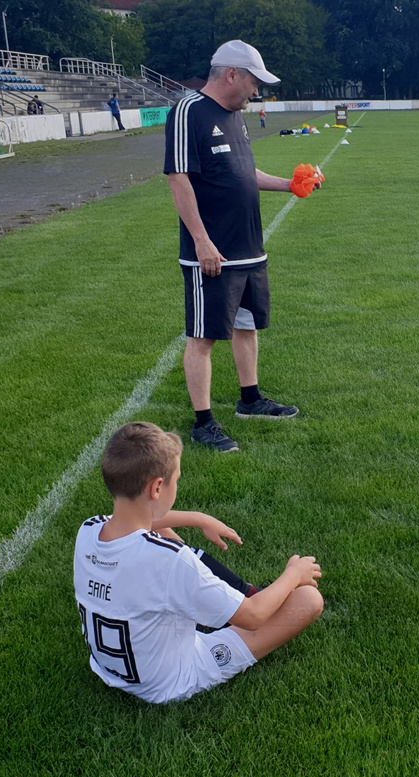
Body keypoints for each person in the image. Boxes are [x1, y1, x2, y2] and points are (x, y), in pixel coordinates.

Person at [73, 421, 324, 704]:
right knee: (308, 599)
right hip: (170, 684)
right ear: (157, 487)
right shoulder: (170, 560)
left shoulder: (88, 530)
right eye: (176, 480)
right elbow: (253, 617)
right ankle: (219, 604)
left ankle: (209, 599)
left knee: (158, 543)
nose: (176, 485)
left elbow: (137, 522)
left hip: (113, 668)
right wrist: (293, 573)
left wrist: (198, 518)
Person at [164, 40, 302, 452]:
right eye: (253, 82)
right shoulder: (189, 112)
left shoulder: (235, 117)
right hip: (213, 253)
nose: (256, 92)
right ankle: (203, 422)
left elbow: (244, 170)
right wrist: (202, 241)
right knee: (203, 337)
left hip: (249, 248)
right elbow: (178, 179)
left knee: (247, 326)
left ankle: (250, 399)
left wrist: (289, 185)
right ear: (231, 75)